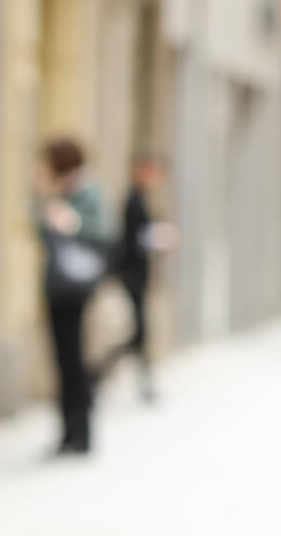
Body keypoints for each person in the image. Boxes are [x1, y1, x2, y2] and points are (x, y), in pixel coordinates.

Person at [34, 137, 110, 455]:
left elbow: (103, 233)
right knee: (63, 361)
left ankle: (81, 433)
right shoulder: (59, 193)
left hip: (75, 289)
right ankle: (68, 432)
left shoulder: (88, 193)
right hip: (57, 286)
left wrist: (72, 223)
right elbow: (42, 235)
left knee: (74, 360)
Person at [95, 153, 174, 403]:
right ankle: (99, 374)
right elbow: (134, 239)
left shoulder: (140, 199)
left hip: (137, 274)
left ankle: (140, 381)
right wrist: (160, 237)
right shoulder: (133, 201)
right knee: (137, 331)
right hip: (132, 274)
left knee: (140, 331)